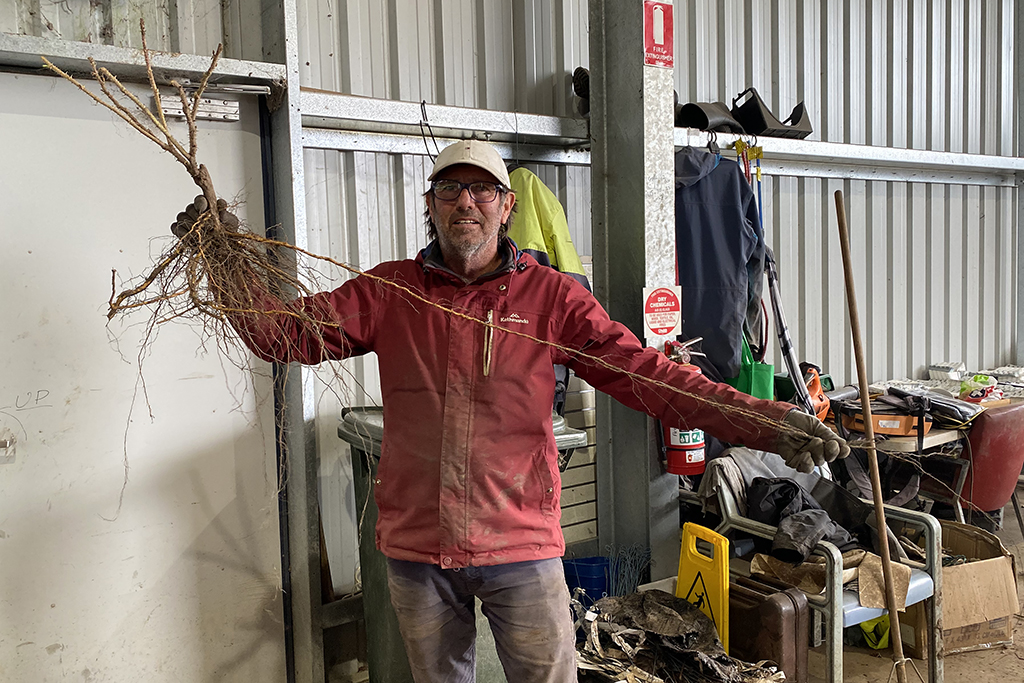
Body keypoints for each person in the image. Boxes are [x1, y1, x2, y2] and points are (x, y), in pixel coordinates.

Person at [173, 139, 848, 683]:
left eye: (481, 190)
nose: (464, 202)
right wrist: (223, 262)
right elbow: (283, 334)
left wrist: (765, 421)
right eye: (449, 190)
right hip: (417, 551)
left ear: (507, 205)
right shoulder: (391, 293)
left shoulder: (551, 298)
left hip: (520, 546)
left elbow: (648, 375)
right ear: (430, 206)